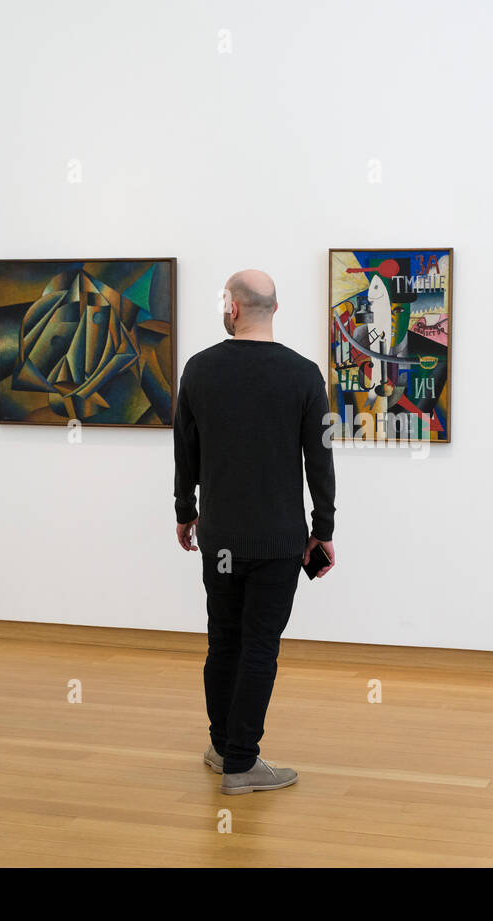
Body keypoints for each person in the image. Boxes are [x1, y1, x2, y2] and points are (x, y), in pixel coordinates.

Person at [173, 269, 336, 795]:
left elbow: (185, 453)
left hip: (219, 539)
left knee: (223, 641)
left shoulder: (199, 370)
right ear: (275, 308)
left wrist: (184, 511)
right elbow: (321, 460)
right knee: (259, 647)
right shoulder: (305, 375)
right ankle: (241, 761)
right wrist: (323, 528)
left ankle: (226, 749)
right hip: (278, 541)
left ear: (234, 309)